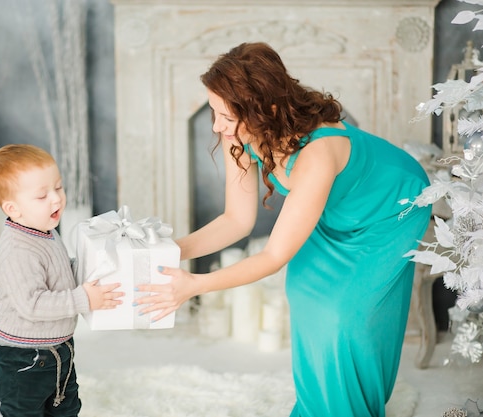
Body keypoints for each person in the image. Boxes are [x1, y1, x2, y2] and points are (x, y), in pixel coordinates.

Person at [135, 42, 432, 417]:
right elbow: (236, 221)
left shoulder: (318, 153)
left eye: (226, 116)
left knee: (345, 316)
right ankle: (317, 407)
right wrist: (171, 251)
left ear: (265, 109)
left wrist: (195, 285)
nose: (217, 126)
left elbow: (274, 257)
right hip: (338, 210)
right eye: (213, 112)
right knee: (305, 291)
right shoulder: (239, 139)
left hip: (393, 209)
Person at [0, 144, 124, 417]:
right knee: (25, 412)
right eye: (42, 195)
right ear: (14, 208)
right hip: (23, 358)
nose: (56, 199)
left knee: (66, 407)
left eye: (58, 188)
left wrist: (87, 267)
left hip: (58, 350)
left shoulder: (43, 230)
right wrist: (83, 298)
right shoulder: (18, 250)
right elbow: (33, 304)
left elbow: (57, 274)